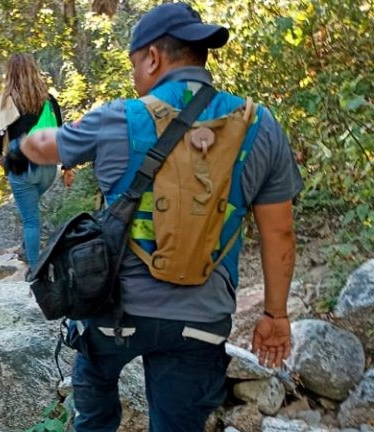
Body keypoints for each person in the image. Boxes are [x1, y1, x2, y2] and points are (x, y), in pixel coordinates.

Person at [20, 3, 303, 431]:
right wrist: (275, 316)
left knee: (93, 404)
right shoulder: (259, 125)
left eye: (135, 64)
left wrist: (22, 143)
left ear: (152, 57)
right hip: (200, 323)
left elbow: (46, 146)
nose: (135, 77)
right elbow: (279, 233)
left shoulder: (119, 117)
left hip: (114, 316)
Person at [0, 53, 72, 268]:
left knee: (30, 220)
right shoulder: (49, 99)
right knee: (32, 211)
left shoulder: (7, 101)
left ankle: (35, 269)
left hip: (22, 160)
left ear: (10, 74)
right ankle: (29, 249)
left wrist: (0, 157)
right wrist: (67, 166)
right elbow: (62, 132)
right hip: (48, 163)